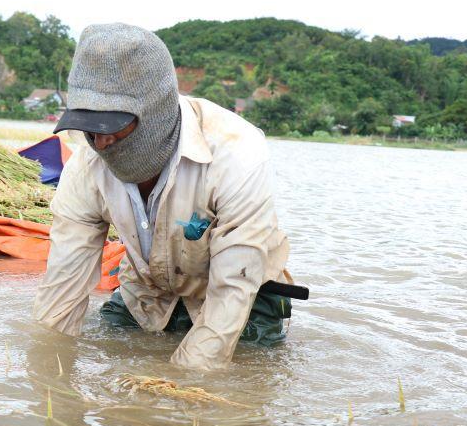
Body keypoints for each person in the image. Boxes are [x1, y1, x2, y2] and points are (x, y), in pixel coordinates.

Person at [32, 23, 293, 371]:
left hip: (246, 292)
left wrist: (182, 386)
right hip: (149, 290)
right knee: (115, 362)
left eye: (111, 126)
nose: (101, 142)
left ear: (155, 111)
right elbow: (62, 289)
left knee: (238, 378)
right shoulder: (86, 167)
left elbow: (233, 287)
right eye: (89, 127)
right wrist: (49, 371)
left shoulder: (235, 152)